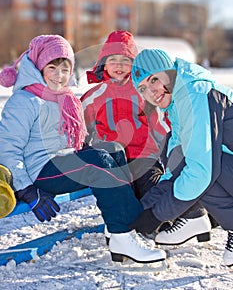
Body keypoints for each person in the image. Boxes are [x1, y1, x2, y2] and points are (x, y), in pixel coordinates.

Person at [0, 35, 166, 264]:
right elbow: (7, 150)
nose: (59, 76)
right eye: (52, 68)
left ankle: (116, 227)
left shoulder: (62, 97)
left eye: (65, 69)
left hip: (60, 159)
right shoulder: (25, 101)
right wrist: (27, 190)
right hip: (37, 171)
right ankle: (123, 234)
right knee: (97, 161)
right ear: (39, 67)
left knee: (114, 150)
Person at [130, 48, 233, 267]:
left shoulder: (195, 92)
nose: (151, 92)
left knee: (204, 169)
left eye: (154, 79)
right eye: (143, 88)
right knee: (180, 154)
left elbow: (200, 172)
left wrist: (157, 215)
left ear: (169, 71)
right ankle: (198, 219)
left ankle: (199, 219)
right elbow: (176, 163)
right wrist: (142, 209)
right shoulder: (176, 100)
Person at [81, 30, 169, 200]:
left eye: (125, 60)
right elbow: (81, 130)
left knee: (154, 197)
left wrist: (168, 156)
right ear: (103, 64)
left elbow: (160, 126)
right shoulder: (94, 97)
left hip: (144, 158)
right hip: (111, 161)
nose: (119, 66)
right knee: (121, 201)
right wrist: (86, 153)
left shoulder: (145, 93)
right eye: (112, 60)